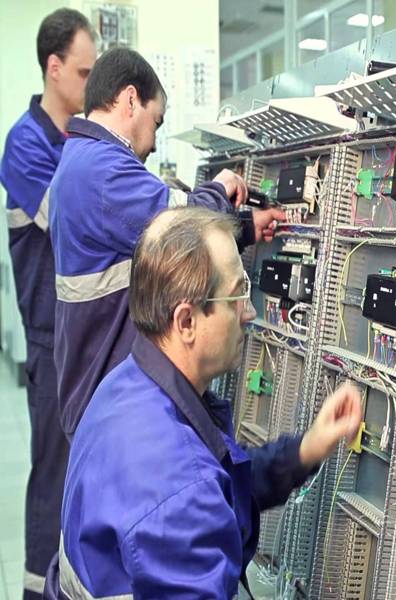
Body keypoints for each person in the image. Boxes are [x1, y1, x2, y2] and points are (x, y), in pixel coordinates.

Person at [45, 207, 362, 598]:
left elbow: (221, 485)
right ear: (186, 322)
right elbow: (192, 493)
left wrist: (306, 449)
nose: (250, 312)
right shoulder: (179, 488)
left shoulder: (124, 385)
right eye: (237, 295)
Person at [48, 47, 283, 439]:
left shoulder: (81, 161)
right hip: (109, 399)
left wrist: (244, 227)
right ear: (130, 100)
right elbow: (179, 226)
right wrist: (220, 187)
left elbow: (148, 242)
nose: (155, 143)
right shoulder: (101, 171)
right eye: (156, 122)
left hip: (97, 387)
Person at [0, 9, 96, 598]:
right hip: (50, 338)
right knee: (53, 479)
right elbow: (72, 218)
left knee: (83, 474)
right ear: (54, 67)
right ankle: (38, 590)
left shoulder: (77, 140)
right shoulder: (25, 143)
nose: (92, 83)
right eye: (85, 72)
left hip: (83, 336)